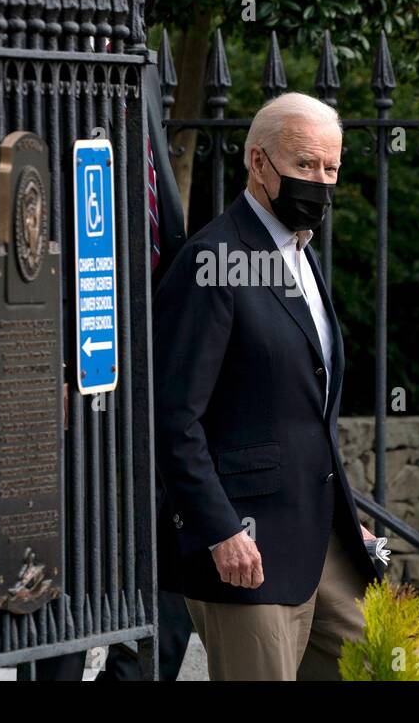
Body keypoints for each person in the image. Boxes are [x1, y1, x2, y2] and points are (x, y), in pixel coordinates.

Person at [152, 92, 379, 681]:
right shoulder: (213, 261)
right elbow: (173, 416)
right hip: (244, 550)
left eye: (331, 169)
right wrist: (221, 528)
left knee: (385, 666)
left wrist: (343, 514)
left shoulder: (301, 256)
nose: (320, 182)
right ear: (258, 163)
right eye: (305, 165)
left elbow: (305, 412)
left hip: (320, 538)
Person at [34, 0, 190, 682]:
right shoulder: (35, 53)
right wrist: (44, 358)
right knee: (65, 543)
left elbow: (156, 195)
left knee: (161, 530)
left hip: (152, 338)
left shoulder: (145, 59)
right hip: (71, 349)